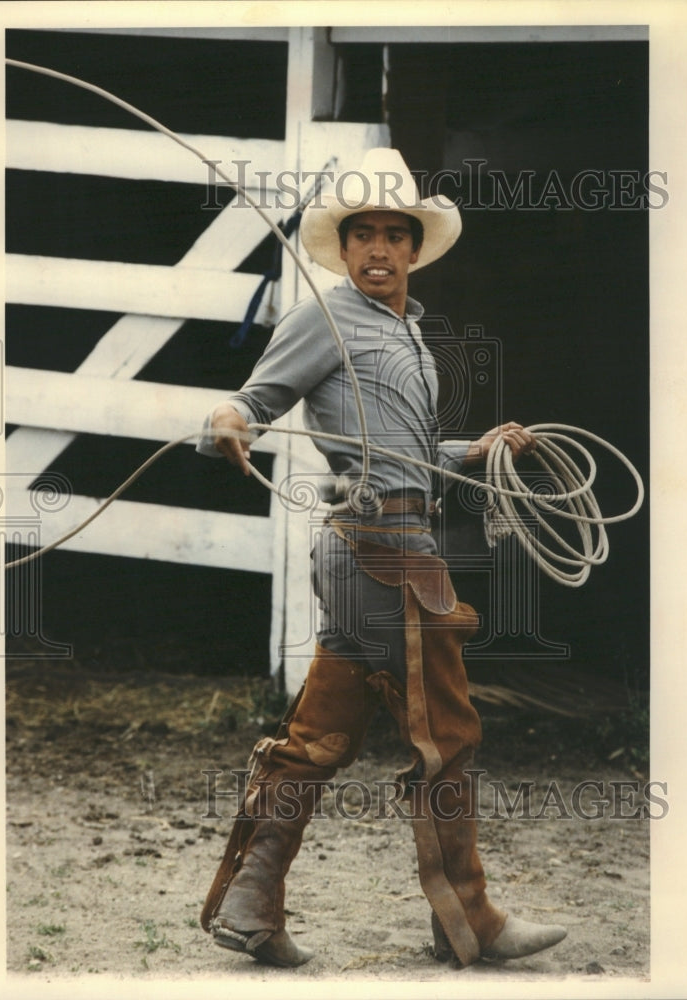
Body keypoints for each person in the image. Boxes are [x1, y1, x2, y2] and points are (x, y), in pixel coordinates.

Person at [197, 148, 567, 969]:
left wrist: (482, 449)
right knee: (447, 733)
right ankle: (469, 920)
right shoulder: (325, 317)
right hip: (384, 549)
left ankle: (252, 903)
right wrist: (226, 419)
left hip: (394, 541)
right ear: (345, 244)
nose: (377, 250)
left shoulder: (406, 332)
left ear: (412, 246)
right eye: (362, 234)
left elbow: (416, 451)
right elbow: (252, 401)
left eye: (393, 235)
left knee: (321, 733)